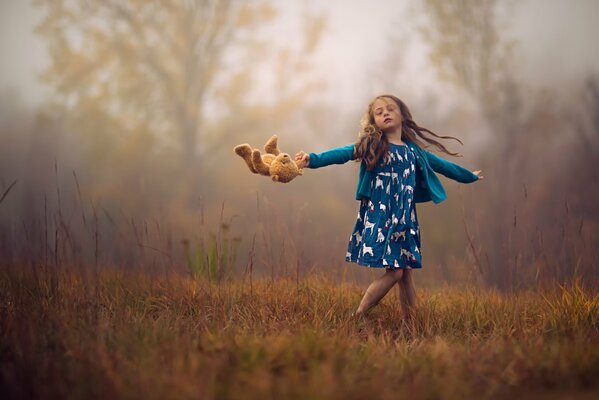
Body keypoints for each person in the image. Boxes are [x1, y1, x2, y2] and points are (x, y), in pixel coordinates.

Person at [295, 94, 483, 319]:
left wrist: (468, 176)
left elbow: (442, 166)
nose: (385, 113)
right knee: (395, 273)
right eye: (379, 111)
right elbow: (342, 153)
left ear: (402, 115)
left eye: (390, 109)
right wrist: (311, 160)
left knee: (406, 274)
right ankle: (357, 316)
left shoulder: (414, 151)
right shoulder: (374, 145)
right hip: (381, 217)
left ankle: (411, 325)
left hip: (405, 220)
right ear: (373, 122)